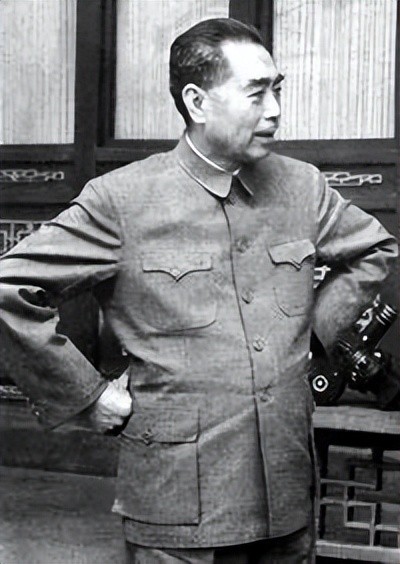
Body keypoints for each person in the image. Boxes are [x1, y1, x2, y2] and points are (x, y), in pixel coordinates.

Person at [0, 18, 397, 564]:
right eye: (255, 93)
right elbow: (10, 289)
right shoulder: (122, 201)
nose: (274, 109)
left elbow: (374, 250)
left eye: (277, 89)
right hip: (177, 504)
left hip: (285, 493)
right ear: (197, 102)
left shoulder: (301, 186)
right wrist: (87, 396)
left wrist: (309, 340)